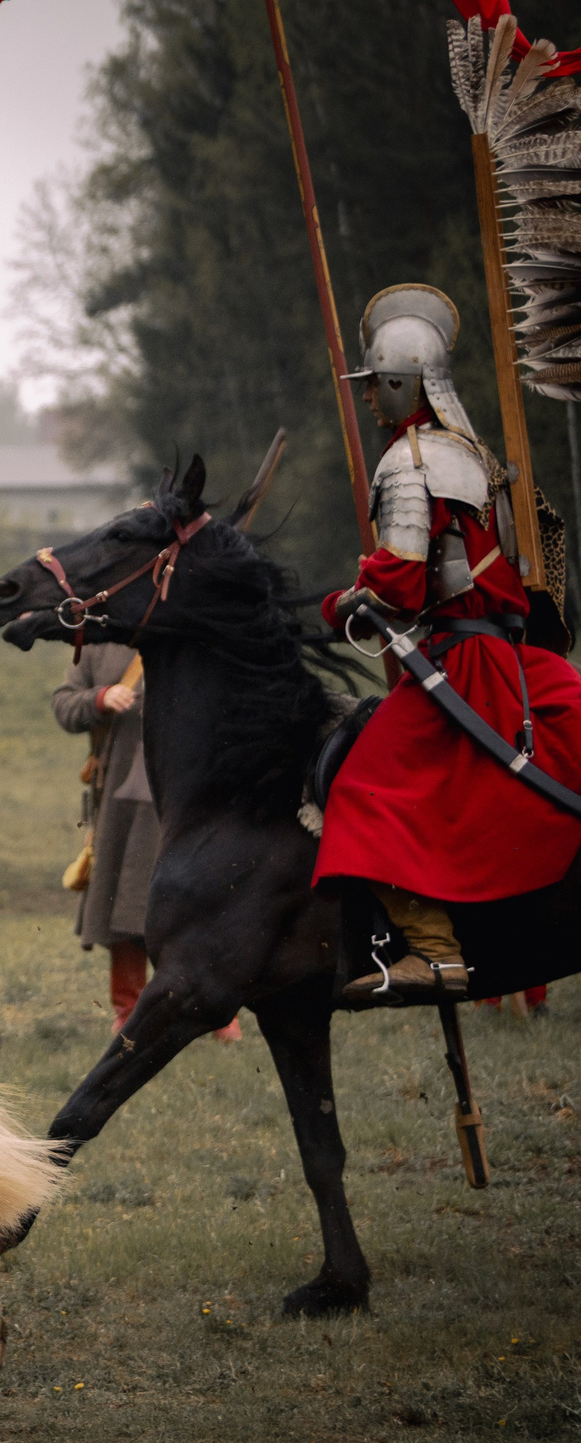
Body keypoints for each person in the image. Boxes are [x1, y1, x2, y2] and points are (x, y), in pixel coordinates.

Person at [317, 282, 581, 1002]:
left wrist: (339, 601)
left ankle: (436, 953)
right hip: (506, 656)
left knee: (358, 790)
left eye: (377, 387)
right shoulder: (478, 459)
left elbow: (400, 585)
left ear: (404, 384)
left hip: (461, 667)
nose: (371, 399)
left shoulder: (411, 462)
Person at [53, 643, 241, 1040]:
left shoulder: (191, 632)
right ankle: (129, 1012)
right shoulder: (97, 646)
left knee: (200, 905)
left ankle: (216, 1011)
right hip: (121, 797)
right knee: (124, 904)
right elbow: (65, 706)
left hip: (189, 794)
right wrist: (101, 698)